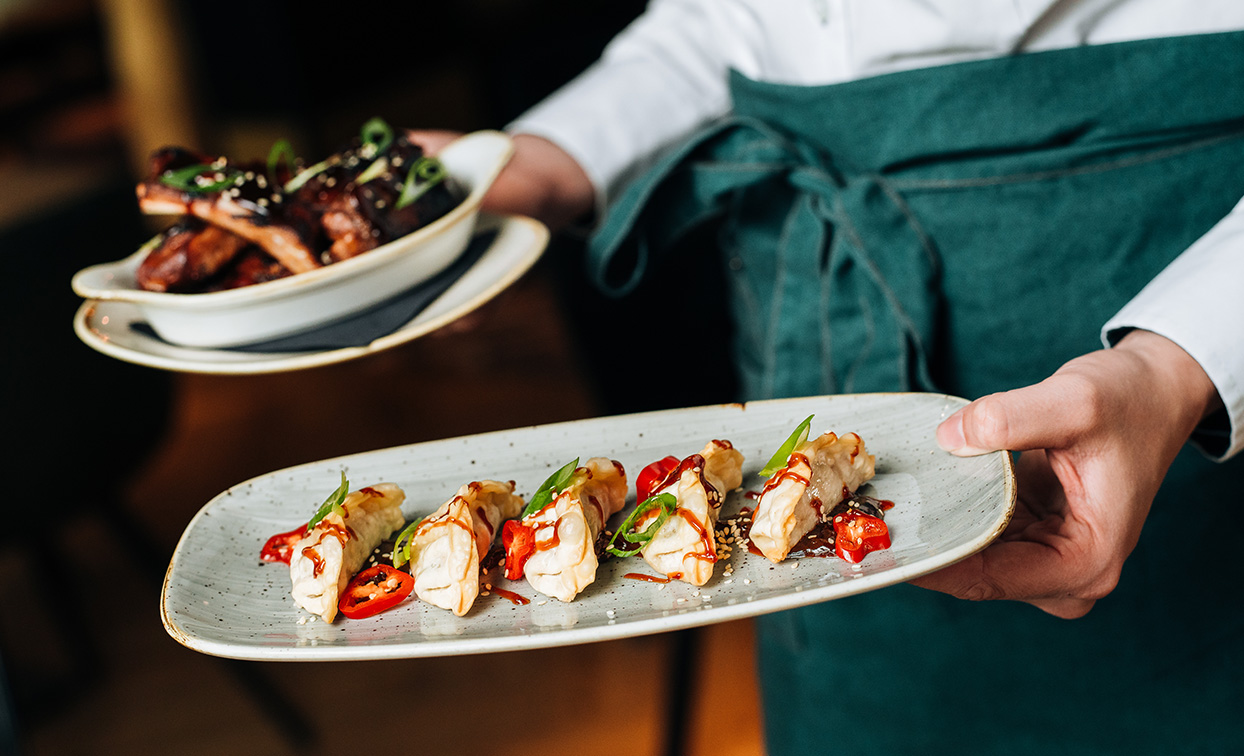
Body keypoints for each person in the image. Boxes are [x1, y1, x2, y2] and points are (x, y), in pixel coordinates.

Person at [415, 1, 1244, 752]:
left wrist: (1181, 361)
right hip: (817, 323)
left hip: (1158, 276)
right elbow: (729, 18)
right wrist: (547, 160)